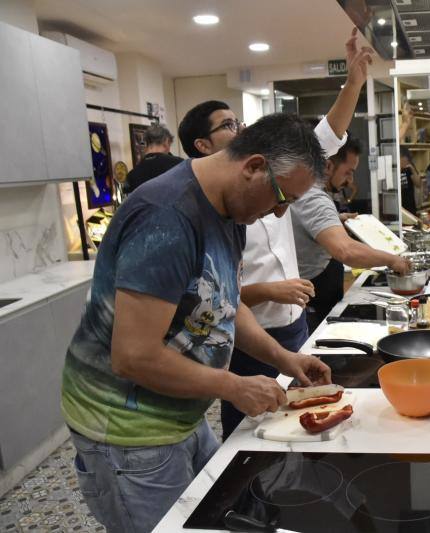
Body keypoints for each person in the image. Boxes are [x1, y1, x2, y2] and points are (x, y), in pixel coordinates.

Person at [60, 113, 333, 533]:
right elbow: (133, 357)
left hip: (180, 414)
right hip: (129, 432)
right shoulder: (166, 217)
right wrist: (233, 386)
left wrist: (284, 358)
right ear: (253, 166)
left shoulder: (229, 212)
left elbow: (226, 303)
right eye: (282, 198)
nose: (279, 214)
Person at [179, 28, 371, 440]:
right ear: (202, 145)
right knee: (250, 434)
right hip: (247, 338)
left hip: (289, 327)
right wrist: (269, 291)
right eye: (227, 125)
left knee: (293, 427)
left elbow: (325, 138)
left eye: (237, 121)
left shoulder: (274, 173)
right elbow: (205, 307)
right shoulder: (197, 212)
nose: (238, 128)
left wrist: (354, 83)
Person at [292, 138, 411, 332]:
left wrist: (335, 220)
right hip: (312, 296)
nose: (350, 181)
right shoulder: (314, 198)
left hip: (320, 289)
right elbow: (346, 251)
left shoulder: (310, 193)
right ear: (328, 166)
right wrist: (392, 260)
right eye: (348, 172)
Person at [123, 124, 182, 194]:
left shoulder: (131, 175)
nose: (169, 150)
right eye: (169, 145)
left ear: (147, 143)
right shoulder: (179, 165)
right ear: (166, 142)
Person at [399, 146, 422, 213]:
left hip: (410, 206)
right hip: (398, 206)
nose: (406, 161)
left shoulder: (409, 166)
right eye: (404, 159)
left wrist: (412, 169)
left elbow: (418, 184)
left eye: (408, 159)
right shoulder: (393, 168)